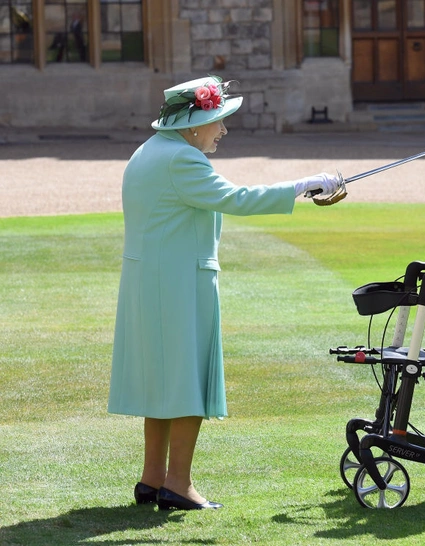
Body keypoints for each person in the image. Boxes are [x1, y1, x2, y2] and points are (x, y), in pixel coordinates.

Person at [108, 76, 342, 510]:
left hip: (152, 284)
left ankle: (152, 478)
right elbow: (237, 199)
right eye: (217, 121)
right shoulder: (182, 159)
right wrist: (304, 185)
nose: (222, 130)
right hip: (178, 286)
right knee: (186, 383)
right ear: (194, 124)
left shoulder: (148, 151)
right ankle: (176, 484)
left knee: (163, 383)